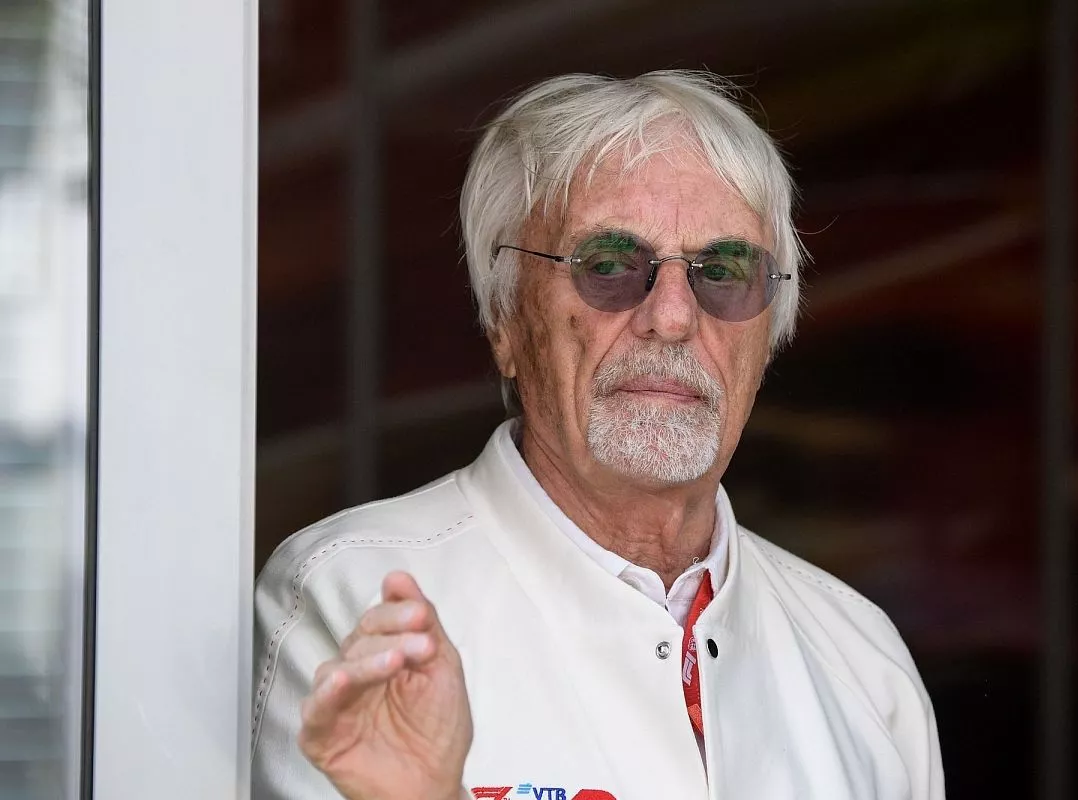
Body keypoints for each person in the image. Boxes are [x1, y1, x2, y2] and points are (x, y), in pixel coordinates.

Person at [251, 70, 944, 800]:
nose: (672, 317)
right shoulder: (352, 605)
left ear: (768, 335)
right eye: (609, 265)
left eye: (723, 270)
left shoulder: (862, 661)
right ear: (504, 322)